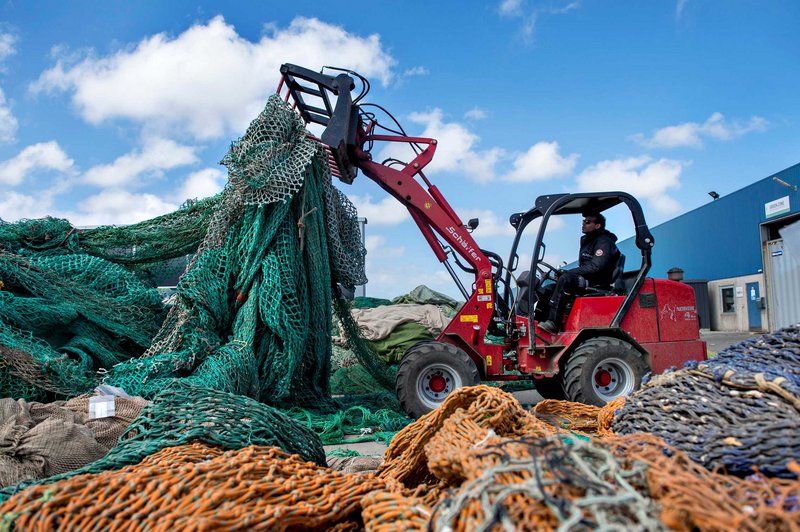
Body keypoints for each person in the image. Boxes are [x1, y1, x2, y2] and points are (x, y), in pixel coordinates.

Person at [538, 211, 619, 334]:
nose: (583, 224)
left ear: (598, 225)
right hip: (588, 278)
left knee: (566, 279)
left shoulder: (604, 242)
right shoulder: (588, 241)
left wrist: (570, 273)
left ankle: (553, 323)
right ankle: (538, 321)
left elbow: (596, 267)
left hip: (598, 282)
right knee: (549, 289)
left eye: (588, 222)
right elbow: (584, 267)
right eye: (583, 221)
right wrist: (565, 272)